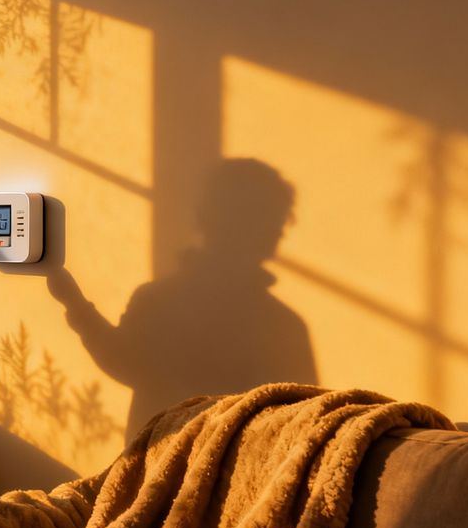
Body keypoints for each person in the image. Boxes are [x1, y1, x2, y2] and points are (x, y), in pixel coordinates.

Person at [47, 157, 317, 439]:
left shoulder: (158, 299)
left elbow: (127, 362)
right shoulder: (283, 328)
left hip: (155, 469)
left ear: (204, 217)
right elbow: (302, 429)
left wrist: (75, 304)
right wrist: (75, 304)